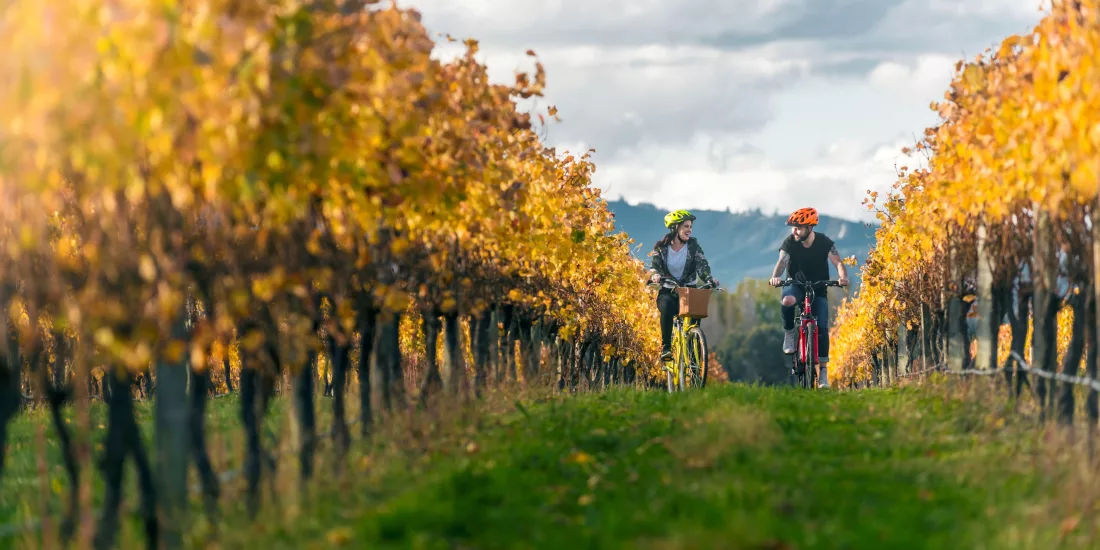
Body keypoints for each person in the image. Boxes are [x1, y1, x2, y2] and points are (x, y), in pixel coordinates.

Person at [768, 207, 848, 388]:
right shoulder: (790, 242)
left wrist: (843, 277)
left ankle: (823, 373)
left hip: (819, 287)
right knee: (787, 301)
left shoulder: (824, 242)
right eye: (793, 227)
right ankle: (789, 332)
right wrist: (776, 277)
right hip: (795, 284)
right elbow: (782, 262)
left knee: (822, 327)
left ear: (810, 228)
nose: (794, 231)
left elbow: (838, 262)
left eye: (798, 227)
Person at [648, 209, 719, 362]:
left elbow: (702, 264)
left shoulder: (693, 245)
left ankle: (694, 361)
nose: (689, 230)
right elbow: (655, 265)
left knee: (693, 324)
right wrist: (655, 274)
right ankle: (666, 348)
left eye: (690, 226)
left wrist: (709, 278)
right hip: (669, 292)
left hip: (689, 293)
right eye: (686, 226)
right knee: (666, 305)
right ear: (675, 228)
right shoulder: (661, 248)